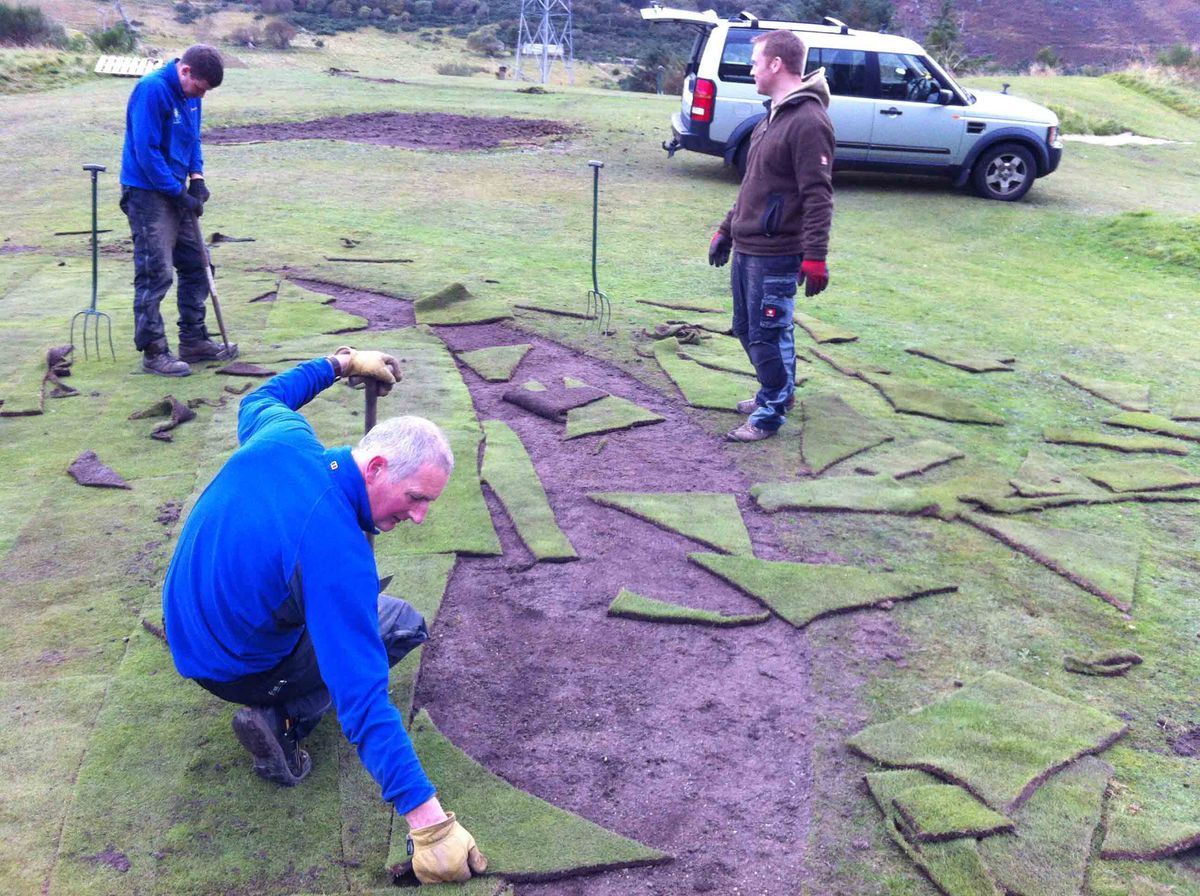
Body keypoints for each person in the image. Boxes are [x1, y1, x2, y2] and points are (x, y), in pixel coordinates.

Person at [161, 347, 486, 884]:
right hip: (234, 668)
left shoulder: (285, 438)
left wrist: (340, 363)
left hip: (190, 626)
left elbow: (262, 396)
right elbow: (363, 699)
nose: (421, 517)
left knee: (329, 604)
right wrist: (429, 824)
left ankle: (275, 678)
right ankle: (284, 720)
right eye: (414, 497)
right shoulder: (335, 551)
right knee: (397, 622)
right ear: (377, 466)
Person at [708, 30, 834, 442]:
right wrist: (726, 228)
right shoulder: (775, 114)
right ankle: (777, 391)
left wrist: (815, 256)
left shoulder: (808, 120)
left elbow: (818, 195)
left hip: (776, 252)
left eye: (755, 61)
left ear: (776, 64)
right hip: (748, 246)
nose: (751, 68)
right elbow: (754, 185)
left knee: (767, 332)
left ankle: (769, 414)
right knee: (747, 328)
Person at [120, 44, 239, 377]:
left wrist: (197, 178)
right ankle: (154, 351)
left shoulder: (192, 97)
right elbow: (147, 151)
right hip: (147, 193)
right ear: (184, 71)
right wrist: (178, 192)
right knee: (155, 272)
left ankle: (193, 340)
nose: (201, 96)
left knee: (199, 265)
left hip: (176, 190)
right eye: (199, 88)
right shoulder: (152, 90)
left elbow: (192, 140)